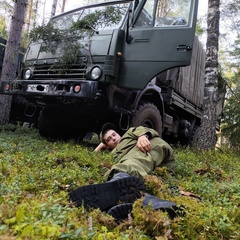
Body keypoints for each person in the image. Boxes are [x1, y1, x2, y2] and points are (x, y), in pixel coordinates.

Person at [69, 123, 178, 221]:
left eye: (114, 134)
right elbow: (93, 156)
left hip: (152, 146)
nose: (114, 138)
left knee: (130, 162)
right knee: (126, 169)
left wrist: (143, 137)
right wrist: (101, 146)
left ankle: (117, 183)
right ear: (107, 145)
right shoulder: (113, 155)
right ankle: (150, 203)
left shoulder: (129, 135)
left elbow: (145, 130)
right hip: (150, 168)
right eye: (109, 139)